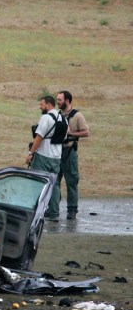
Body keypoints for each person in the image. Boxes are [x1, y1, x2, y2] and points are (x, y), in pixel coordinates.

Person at [26, 96, 63, 222]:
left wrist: (31, 153)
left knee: (39, 182)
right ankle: (54, 212)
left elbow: (39, 137)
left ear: (48, 105)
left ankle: (38, 211)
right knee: (55, 184)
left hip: (43, 155)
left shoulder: (45, 118)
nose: (40, 107)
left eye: (42, 104)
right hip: (57, 156)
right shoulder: (62, 118)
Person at [56, 91, 90, 220]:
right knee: (54, 182)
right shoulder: (58, 115)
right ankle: (54, 208)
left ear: (67, 100)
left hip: (70, 151)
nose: (57, 102)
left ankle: (72, 209)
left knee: (71, 181)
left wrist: (71, 134)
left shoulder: (77, 116)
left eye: (59, 99)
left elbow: (86, 132)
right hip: (57, 151)